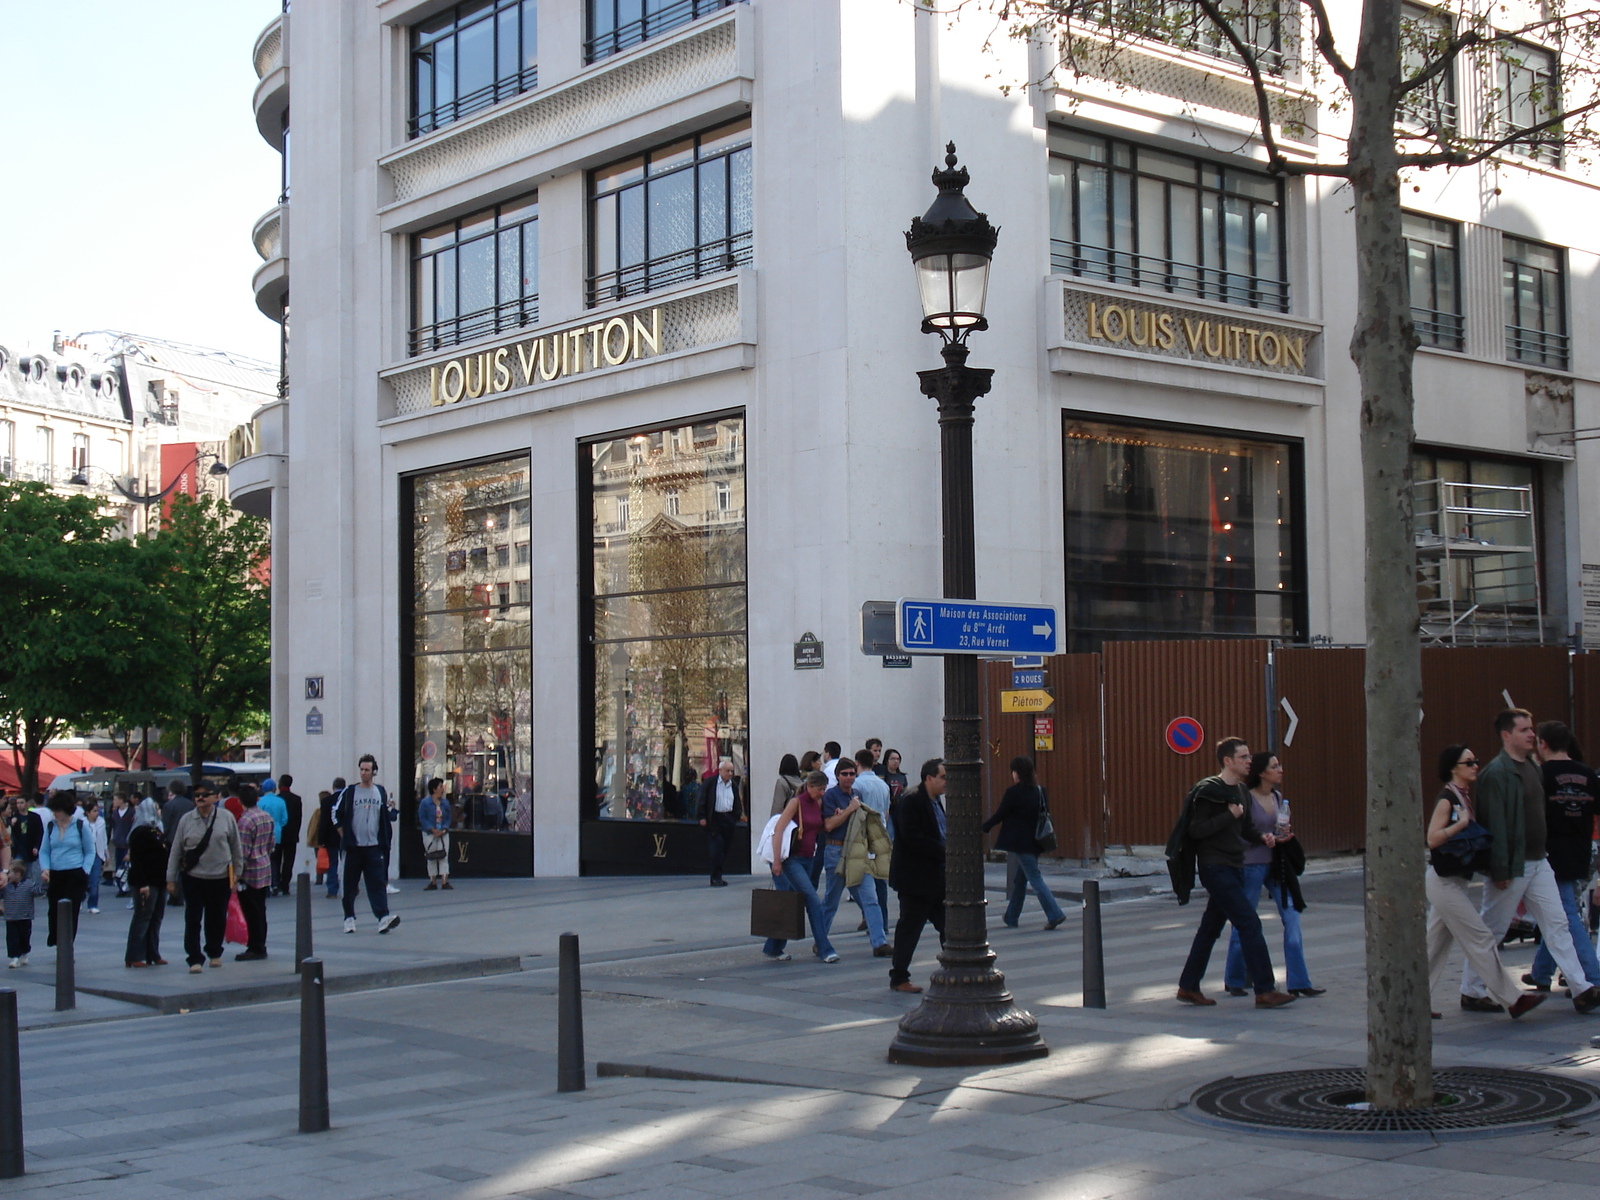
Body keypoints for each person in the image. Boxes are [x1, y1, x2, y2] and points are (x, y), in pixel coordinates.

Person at [1461, 709, 1600, 1013]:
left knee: (1558, 923)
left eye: (1532, 729)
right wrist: (1499, 868)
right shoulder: (1496, 773)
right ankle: (1471, 990)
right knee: (1493, 930)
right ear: (1506, 735)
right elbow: (1492, 823)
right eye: (1523, 730)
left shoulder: (1535, 769)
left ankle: (1582, 989)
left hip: (1539, 860)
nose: (1531, 735)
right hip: (1512, 863)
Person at [1175, 738, 1296, 1008]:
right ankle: (1265, 990)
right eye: (1243, 757)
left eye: (1249, 756)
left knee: (1210, 928)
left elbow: (1245, 829)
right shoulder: (1209, 790)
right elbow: (1196, 830)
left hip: (1234, 865)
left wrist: (1264, 837)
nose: (1249, 761)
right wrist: (1228, 815)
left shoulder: (1241, 791)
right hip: (1215, 867)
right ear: (1227, 761)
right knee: (1249, 923)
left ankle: (1188, 985)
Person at [1426, 744, 1545, 1019]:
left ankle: (1411, 1002)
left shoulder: (1464, 796)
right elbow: (1432, 839)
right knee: (1480, 937)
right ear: (1453, 768)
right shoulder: (1448, 798)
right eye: (1469, 762)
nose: (1476, 766)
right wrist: (1460, 824)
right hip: (1443, 882)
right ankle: (1512, 999)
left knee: (1434, 946)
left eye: (1476, 761)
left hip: (1454, 881)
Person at [1223, 753, 1322, 998]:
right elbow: (1237, 833)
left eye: (1279, 765)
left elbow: (1279, 827)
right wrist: (1260, 839)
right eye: (1274, 766)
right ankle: (1234, 978)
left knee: (1292, 916)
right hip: (1251, 864)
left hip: (1278, 864)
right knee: (1245, 921)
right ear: (1261, 772)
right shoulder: (1245, 797)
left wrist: (1283, 836)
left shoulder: (1278, 797)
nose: (1280, 770)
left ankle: (1299, 981)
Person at [1524, 722, 1600, 993]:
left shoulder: (1541, 774)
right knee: (1554, 912)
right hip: (1580, 850)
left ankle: (1593, 976)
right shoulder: (1587, 774)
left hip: (1550, 852)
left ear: (1542, 744)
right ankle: (1541, 972)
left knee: (1565, 914)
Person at [166, 784, 243, 973]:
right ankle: (194, 958)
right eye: (197, 795)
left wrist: (237, 875)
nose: (200, 798)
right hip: (193, 877)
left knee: (216, 918)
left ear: (215, 797)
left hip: (220, 876)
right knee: (192, 918)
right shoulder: (186, 819)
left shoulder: (226, 818)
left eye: (205, 795)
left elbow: (236, 847)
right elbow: (176, 850)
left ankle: (214, 952)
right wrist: (171, 878)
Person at [983, 755, 1066, 931]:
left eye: (1013, 771)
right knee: (1020, 880)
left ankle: (1055, 913)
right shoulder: (1040, 791)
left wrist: (985, 827)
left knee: (1035, 878)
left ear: (1017, 773)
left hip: (1020, 843)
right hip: (1037, 841)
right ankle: (1011, 916)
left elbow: (1001, 814)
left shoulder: (1013, 793)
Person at [762, 770, 838, 962]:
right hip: (792, 859)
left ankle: (773, 947)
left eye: (824, 789)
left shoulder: (817, 803)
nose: (822, 793)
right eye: (820, 789)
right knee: (812, 900)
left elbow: (817, 826)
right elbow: (778, 830)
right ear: (810, 786)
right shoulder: (796, 803)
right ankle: (825, 948)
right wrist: (777, 861)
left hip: (808, 858)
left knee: (790, 901)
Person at [817, 757, 889, 955]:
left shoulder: (857, 794)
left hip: (857, 851)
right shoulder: (831, 796)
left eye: (851, 774)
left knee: (870, 898)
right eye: (844, 774)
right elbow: (829, 825)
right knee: (831, 900)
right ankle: (820, 940)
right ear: (838, 776)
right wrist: (848, 810)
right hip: (836, 851)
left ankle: (879, 942)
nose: (848, 778)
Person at [888, 758, 948, 993]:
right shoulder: (912, 800)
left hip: (935, 877)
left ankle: (955, 969)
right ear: (929, 778)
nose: (946, 782)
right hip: (916, 879)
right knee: (910, 928)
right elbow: (912, 838)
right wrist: (944, 850)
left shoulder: (935, 800)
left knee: (949, 926)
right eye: (943, 777)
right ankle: (899, 977)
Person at [334, 756, 400, 934]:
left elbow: (385, 813)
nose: (363, 773)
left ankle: (383, 917)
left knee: (377, 883)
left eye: (367, 770)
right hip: (354, 847)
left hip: (373, 846)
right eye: (361, 770)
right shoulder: (349, 792)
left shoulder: (379, 792)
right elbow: (336, 814)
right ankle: (349, 918)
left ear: (373, 772)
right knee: (349, 884)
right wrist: (345, 836)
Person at [39, 792, 96, 949]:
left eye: (57, 810)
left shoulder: (79, 825)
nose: (55, 814)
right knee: (54, 910)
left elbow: (90, 850)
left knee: (71, 911)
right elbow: (44, 850)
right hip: (56, 873)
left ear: (65, 809)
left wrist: (85, 870)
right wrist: (45, 868)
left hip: (75, 873)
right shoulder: (51, 827)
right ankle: (57, 940)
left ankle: (67, 945)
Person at [850, 748, 894, 925]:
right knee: (880, 882)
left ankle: (869, 917)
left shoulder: (857, 785)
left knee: (860, 881)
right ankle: (881, 921)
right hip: (880, 835)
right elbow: (886, 812)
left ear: (857, 763)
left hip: (863, 836)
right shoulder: (883, 785)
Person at [124, 798, 168, 968]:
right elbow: (137, 860)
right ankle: (134, 955)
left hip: (159, 880)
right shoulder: (139, 833)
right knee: (143, 916)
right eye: (155, 808)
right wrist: (142, 883)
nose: (158, 811)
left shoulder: (157, 830)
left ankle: (153, 952)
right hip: (146, 881)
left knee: (156, 917)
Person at [234, 784, 272, 961]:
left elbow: (242, 851)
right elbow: (271, 844)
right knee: (260, 909)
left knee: (251, 911)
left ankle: (255, 946)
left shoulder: (245, 821)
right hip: (264, 867)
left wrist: (236, 874)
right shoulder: (265, 817)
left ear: (240, 801)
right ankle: (260, 943)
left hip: (250, 872)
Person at [697, 758, 743, 888]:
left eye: (732, 771)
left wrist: (736, 816)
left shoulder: (733, 785)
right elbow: (702, 800)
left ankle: (719, 874)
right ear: (720, 770)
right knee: (717, 848)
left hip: (728, 819)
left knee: (724, 849)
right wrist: (702, 817)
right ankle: (715, 877)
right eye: (727, 771)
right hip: (715, 819)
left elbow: (737, 802)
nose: (730, 773)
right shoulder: (711, 783)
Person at [4, 863, 44, 968]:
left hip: (25, 916)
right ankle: (14, 957)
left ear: (18, 874)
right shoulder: (6, 886)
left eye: (10, 873)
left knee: (24, 936)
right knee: (12, 937)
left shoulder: (28, 884)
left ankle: (24, 952)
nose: (8, 875)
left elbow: (38, 892)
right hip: (11, 917)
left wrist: (44, 883)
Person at [160, 781, 194, 906]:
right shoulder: (190, 804)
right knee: (185, 868)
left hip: (172, 839)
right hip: (188, 838)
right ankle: (184, 893)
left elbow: (166, 825)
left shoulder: (169, 806)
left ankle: (175, 895)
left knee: (173, 866)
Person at [418, 777, 452, 891]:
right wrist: (432, 829)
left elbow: (448, 817)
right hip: (430, 833)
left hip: (443, 833)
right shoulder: (425, 803)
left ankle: (444, 880)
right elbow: (422, 818)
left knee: (444, 855)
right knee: (431, 856)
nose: (442, 789)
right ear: (434, 789)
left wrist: (444, 829)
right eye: (440, 787)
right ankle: (432, 881)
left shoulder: (445, 803)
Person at [257, 780, 289, 895]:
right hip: (277, 833)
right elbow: (285, 819)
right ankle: (275, 884)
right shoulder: (280, 801)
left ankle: (266, 884)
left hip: (263, 835)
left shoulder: (260, 802)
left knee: (265, 860)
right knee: (276, 860)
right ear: (274, 788)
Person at [277, 774, 304, 895]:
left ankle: (276, 882)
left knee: (276, 860)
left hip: (278, 835)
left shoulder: (278, 799)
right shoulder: (296, 799)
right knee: (289, 860)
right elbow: (299, 819)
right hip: (292, 835)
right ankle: (285, 884)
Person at [319, 777, 346, 898]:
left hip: (330, 838)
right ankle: (351, 887)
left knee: (332, 864)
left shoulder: (326, 801)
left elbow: (323, 822)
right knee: (348, 863)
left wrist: (321, 840)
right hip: (346, 837)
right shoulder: (348, 799)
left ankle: (332, 890)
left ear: (333, 787)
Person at [82, 798, 107, 914]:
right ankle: (81, 898)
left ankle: (93, 904)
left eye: (97, 811)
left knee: (95, 880)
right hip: (85, 854)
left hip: (97, 853)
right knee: (83, 879)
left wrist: (106, 855)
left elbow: (103, 838)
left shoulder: (101, 822)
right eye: (94, 811)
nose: (97, 813)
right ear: (88, 812)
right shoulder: (82, 822)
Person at [110, 792, 135, 897]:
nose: (114, 802)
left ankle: (128, 887)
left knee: (128, 867)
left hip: (127, 842)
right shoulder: (115, 813)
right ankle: (121, 886)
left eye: (115, 799)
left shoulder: (131, 812)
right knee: (119, 866)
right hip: (118, 842)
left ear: (121, 800)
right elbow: (114, 826)